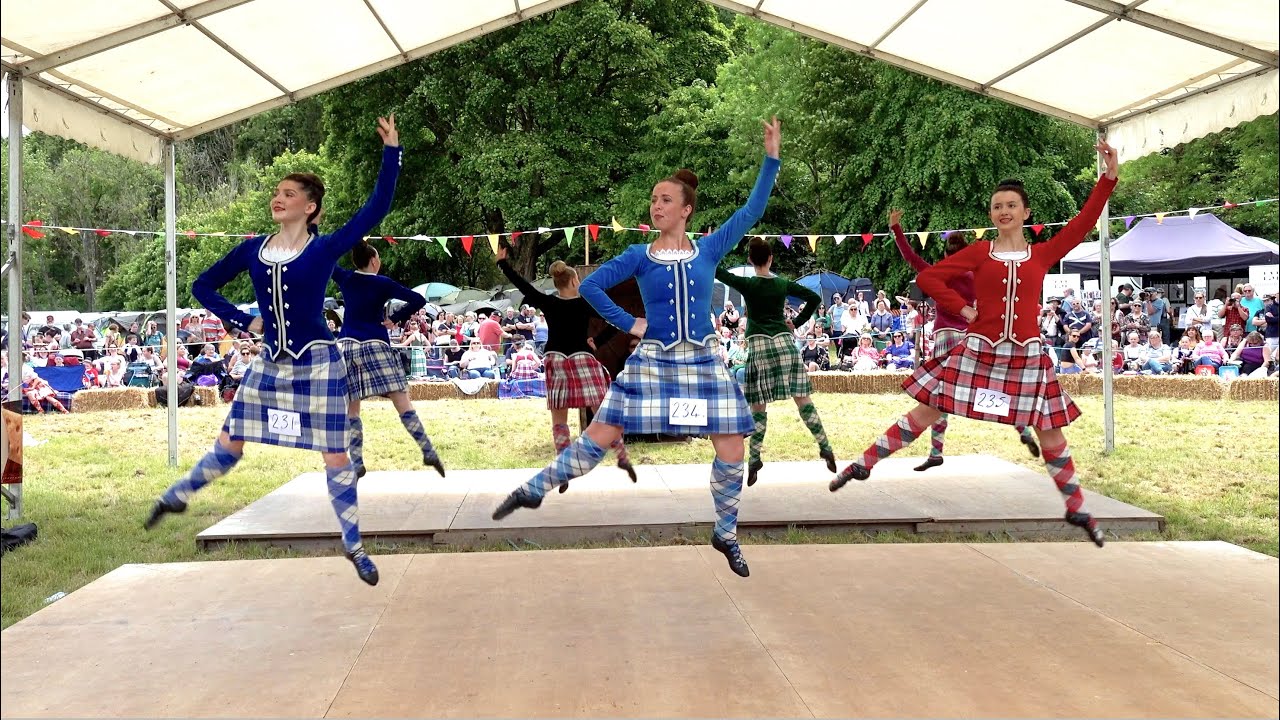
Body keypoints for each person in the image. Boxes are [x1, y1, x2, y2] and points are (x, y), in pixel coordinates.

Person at [490, 117, 783, 578]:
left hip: (703, 361)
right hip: (653, 363)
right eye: (653, 199)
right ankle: (533, 488)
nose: (656, 205)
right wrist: (631, 323)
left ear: (686, 210)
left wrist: (771, 158)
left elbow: (751, 211)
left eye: (665, 199)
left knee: (731, 446)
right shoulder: (638, 256)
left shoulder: (709, 249)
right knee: (598, 438)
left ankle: (726, 533)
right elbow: (591, 288)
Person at [143, 114, 402, 586]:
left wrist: (391, 153)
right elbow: (203, 286)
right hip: (269, 362)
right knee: (230, 442)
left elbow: (376, 207)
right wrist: (244, 320)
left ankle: (354, 546)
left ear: (310, 206)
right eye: (276, 192)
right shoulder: (252, 250)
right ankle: (178, 495)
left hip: (319, 362)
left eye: (289, 193)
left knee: (335, 456)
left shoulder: (325, 248)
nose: (278, 198)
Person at [831, 140, 1119, 549]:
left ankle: (1076, 508)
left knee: (1051, 433)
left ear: (1026, 212)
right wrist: (964, 310)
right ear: (991, 214)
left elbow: (1084, 221)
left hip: (1025, 356)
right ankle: (863, 464)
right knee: (926, 410)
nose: (1004, 211)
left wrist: (1108, 178)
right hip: (979, 351)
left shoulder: (1044, 253)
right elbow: (929, 278)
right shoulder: (979, 252)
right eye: (997, 206)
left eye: (1011, 205)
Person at [889, 215, 1040, 471]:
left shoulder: (938, 273)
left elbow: (910, 257)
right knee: (992, 384)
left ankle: (936, 452)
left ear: (946, 253)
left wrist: (896, 228)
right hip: (970, 336)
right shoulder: (975, 275)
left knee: (938, 396)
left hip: (945, 337)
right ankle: (1022, 428)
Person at [496, 245, 634, 490]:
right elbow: (616, 322)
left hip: (556, 359)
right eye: (578, 279)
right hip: (582, 358)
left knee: (559, 417)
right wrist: (597, 341)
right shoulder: (585, 304)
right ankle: (619, 452)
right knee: (601, 409)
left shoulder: (548, 302)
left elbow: (523, 286)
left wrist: (503, 264)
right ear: (573, 281)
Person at [714, 237, 833, 487]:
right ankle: (824, 446)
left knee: (758, 407)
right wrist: (796, 322)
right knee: (803, 399)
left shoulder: (747, 284)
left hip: (759, 347)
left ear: (750, 260)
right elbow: (813, 298)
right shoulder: (781, 284)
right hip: (785, 345)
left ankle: (755, 459)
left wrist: (711, 247)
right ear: (771, 258)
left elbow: (718, 271)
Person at [332, 239, 444, 480]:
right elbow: (418, 300)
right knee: (401, 398)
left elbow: (326, 259)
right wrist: (395, 318)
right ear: (374, 260)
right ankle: (426, 449)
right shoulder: (382, 283)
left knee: (352, 407)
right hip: (376, 344)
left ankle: (357, 461)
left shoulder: (346, 278)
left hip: (347, 345)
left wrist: (317, 233)